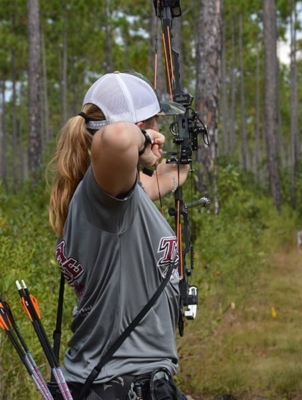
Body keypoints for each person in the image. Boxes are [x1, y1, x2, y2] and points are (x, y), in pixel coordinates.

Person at [47, 71, 190, 400]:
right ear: (141, 129)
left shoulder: (110, 197)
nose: (160, 135)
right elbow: (117, 139)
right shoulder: (102, 199)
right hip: (119, 385)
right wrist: (140, 141)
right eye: (155, 125)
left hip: (116, 381)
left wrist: (180, 163)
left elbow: (152, 185)